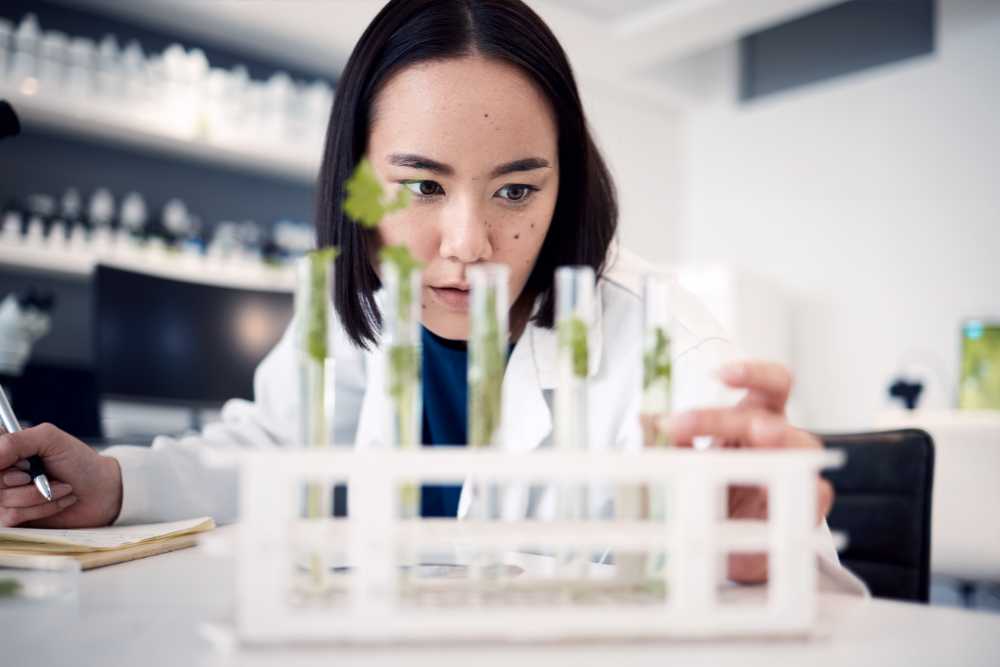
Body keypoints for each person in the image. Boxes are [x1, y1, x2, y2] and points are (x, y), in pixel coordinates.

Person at [0, 0, 863, 591]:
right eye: (421, 187)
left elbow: (824, 602)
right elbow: (265, 452)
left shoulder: (669, 343)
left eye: (516, 190)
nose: (468, 245)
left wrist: (761, 555)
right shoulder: (360, 306)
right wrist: (113, 482)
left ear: (567, 186)